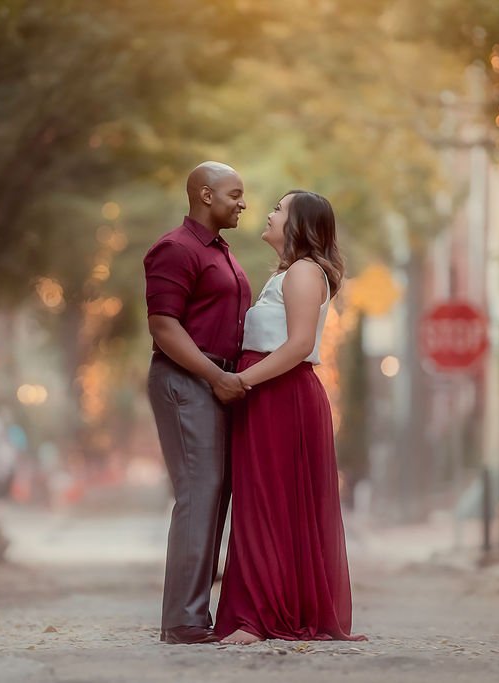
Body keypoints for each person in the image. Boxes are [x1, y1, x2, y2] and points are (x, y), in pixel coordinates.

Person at [215, 190, 366, 644]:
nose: (268, 213)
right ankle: (259, 611)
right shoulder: (285, 275)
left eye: (279, 209)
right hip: (267, 394)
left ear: (299, 223)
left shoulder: (303, 272)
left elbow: (299, 345)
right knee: (260, 502)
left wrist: (242, 382)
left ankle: (261, 618)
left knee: (271, 503)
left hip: (282, 395)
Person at [144, 161, 252, 645]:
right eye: (235, 194)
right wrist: (213, 376)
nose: (243, 203)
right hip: (187, 379)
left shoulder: (220, 252)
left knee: (216, 494)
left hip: (216, 382)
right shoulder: (175, 249)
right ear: (205, 195)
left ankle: (195, 613)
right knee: (199, 493)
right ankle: (183, 621)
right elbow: (164, 327)